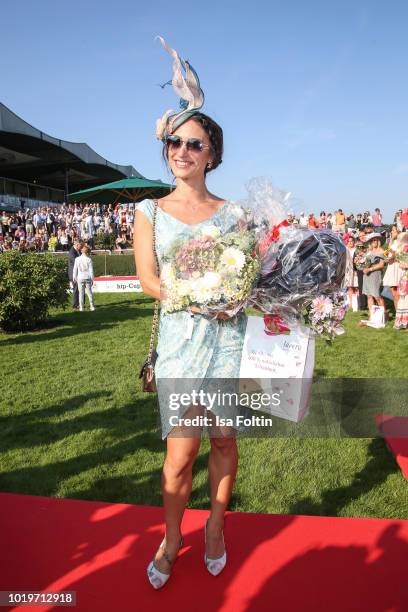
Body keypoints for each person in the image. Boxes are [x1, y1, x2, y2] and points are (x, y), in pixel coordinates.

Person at [134, 38, 270, 590]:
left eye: (193, 143)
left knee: (224, 441)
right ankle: (172, 537)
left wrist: (254, 289)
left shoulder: (236, 214)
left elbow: (251, 276)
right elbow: (148, 280)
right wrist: (192, 296)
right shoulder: (150, 210)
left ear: (212, 152)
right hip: (182, 344)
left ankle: (215, 527)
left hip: (230, 342)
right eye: (174, 142)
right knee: (177, 458)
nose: (181, 151)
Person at [362, 233, 385, 314]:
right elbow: (364, 262)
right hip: (367, 276)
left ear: (378, 241)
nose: (373, 242)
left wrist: (370, 269)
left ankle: (383, 316)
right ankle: (372, 315)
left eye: (375, 240)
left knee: (377, 296)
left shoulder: (381, 251)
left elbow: (381, 265)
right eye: (372, 240)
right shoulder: (369, 251)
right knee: (369, 296)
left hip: (375, 275)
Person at [382, 225, 402, 310]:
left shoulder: (402, 243)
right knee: (393, 293)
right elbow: (387, 254)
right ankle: (398, 313)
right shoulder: (392, 242)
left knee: (399, 293)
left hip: (398, 268)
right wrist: (390, 240)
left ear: (398, 231)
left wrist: (389, 255)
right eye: (391, 231)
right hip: (391, 267)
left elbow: (390, 254)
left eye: (393, 230)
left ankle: (402, 313)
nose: (392, 232)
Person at [72, 244, 95, 311]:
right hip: (87, 278)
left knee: (81, 293)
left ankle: (81, 307)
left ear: (82, 251)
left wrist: (74, 278)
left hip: (80, 278)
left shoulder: (77, 259)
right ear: (87, 252)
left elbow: (75, 269)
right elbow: (91, 270)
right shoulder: (89, 259)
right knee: (89, 293)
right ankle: (92, 306)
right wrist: (92, 279)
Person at [68, 240, 84, 310]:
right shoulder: (72, 252)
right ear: (77, 245)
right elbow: (76, 262)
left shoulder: (78, 251)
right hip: (74, 274)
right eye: (81, 246)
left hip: (79, 273)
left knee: (80, 289)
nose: (81, 248)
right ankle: (75, 305)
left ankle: (80, 304)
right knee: (76, 289)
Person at [344, 236, 359, 308]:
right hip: (348, 270)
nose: (350, 242)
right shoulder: (345, 249)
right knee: (349, 287)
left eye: (351, 241)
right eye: (349, 241)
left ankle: (357, 303)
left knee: (356, 287)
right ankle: (351, 304)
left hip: (355, 270)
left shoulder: (357, 250)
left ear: (354, 242)